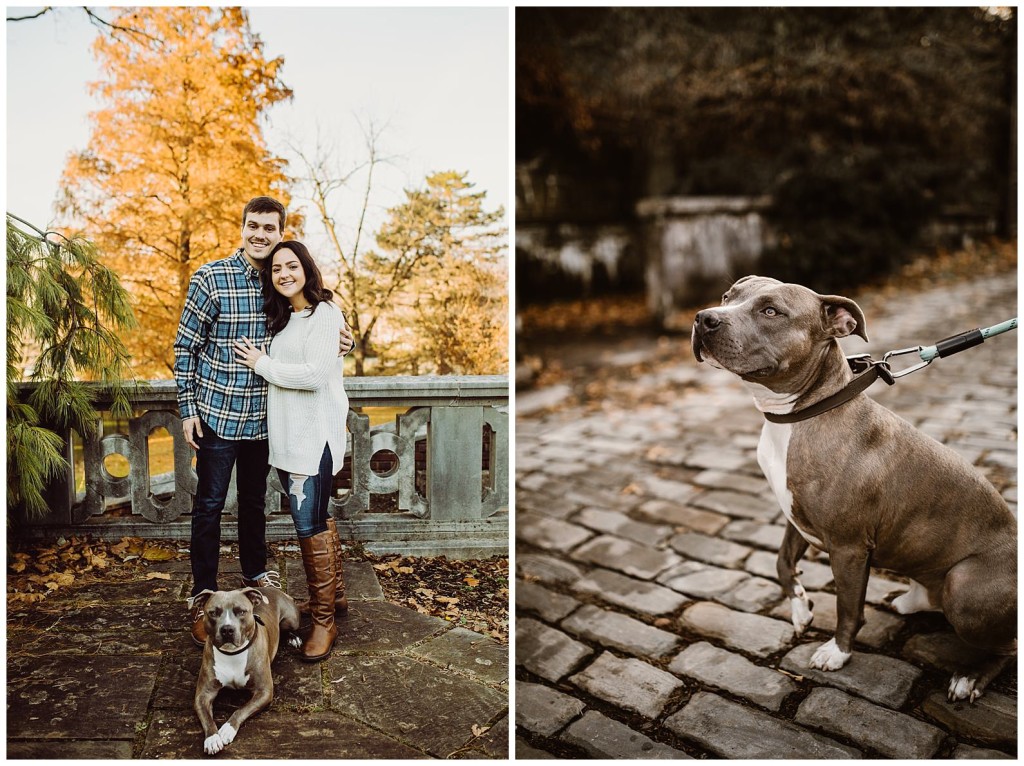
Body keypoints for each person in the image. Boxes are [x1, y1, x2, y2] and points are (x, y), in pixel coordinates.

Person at [173, 196, 352, 647]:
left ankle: (256, 580)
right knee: (209, 506)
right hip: (216, 416)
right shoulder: (211, 278)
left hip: (266, 423)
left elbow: (310, 330)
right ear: (243, 226)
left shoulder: (279, 284)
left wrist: (340, 340)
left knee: (255, 504)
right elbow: (184, 349)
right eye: (253, 225)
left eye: (269, 228)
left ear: (280, 231)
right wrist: (188, 410)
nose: (260, 234)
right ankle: (202, 595)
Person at [233, 240, 348, 661]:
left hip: (312, 439)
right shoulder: (284, 319)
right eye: (276, 268)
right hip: (286, 440)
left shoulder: (325, 313)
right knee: (319, 518)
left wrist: (261, 364)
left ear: (307, 269)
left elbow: (316, 375)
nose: (283, 273)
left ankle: (323, 621)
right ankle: (333, 597)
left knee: (309, 528)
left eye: (291, 266)